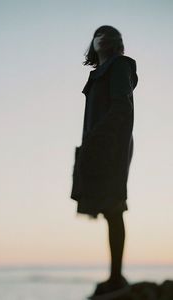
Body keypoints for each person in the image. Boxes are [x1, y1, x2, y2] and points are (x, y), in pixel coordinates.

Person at [70, 25, 138, 299]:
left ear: (115, 42)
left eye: (108, 34)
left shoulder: (120, 65)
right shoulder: (99, 72)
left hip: (111, 145)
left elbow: (122, 106)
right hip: (98, 144)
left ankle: (115, 276)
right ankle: (115, 275)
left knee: (114, 207)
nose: (102, 36)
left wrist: (100, 137)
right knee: (109, 209)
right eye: (97, 33)